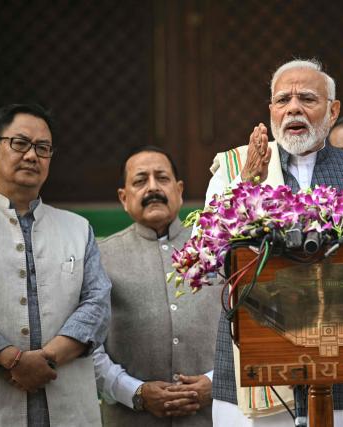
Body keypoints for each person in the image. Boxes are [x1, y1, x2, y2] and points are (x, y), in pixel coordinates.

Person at [205, 59, 343, 427]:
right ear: (271, 110)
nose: (293, 107)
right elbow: (209, 258)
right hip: (253, 370)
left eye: (307, 98)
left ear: (333, 110)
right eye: (282, 99)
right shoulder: (234, 168)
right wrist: (247, 186)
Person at [0, 103, 112, 426]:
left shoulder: (78, 229)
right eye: (19, 143)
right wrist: (13, 361)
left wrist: (45, 359)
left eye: (42, 148)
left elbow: (98, 305)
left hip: (70, 413)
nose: (32, 155)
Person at [93, 146, 222, 426]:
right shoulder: (99, 257)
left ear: (179, 189)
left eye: (162, 178)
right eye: (140, 181)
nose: (152, 187)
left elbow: (245, 335)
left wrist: (218, 383)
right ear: (123, 198)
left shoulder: (216, 249)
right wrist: (136, 392)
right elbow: (87, 347)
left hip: (212, 417)